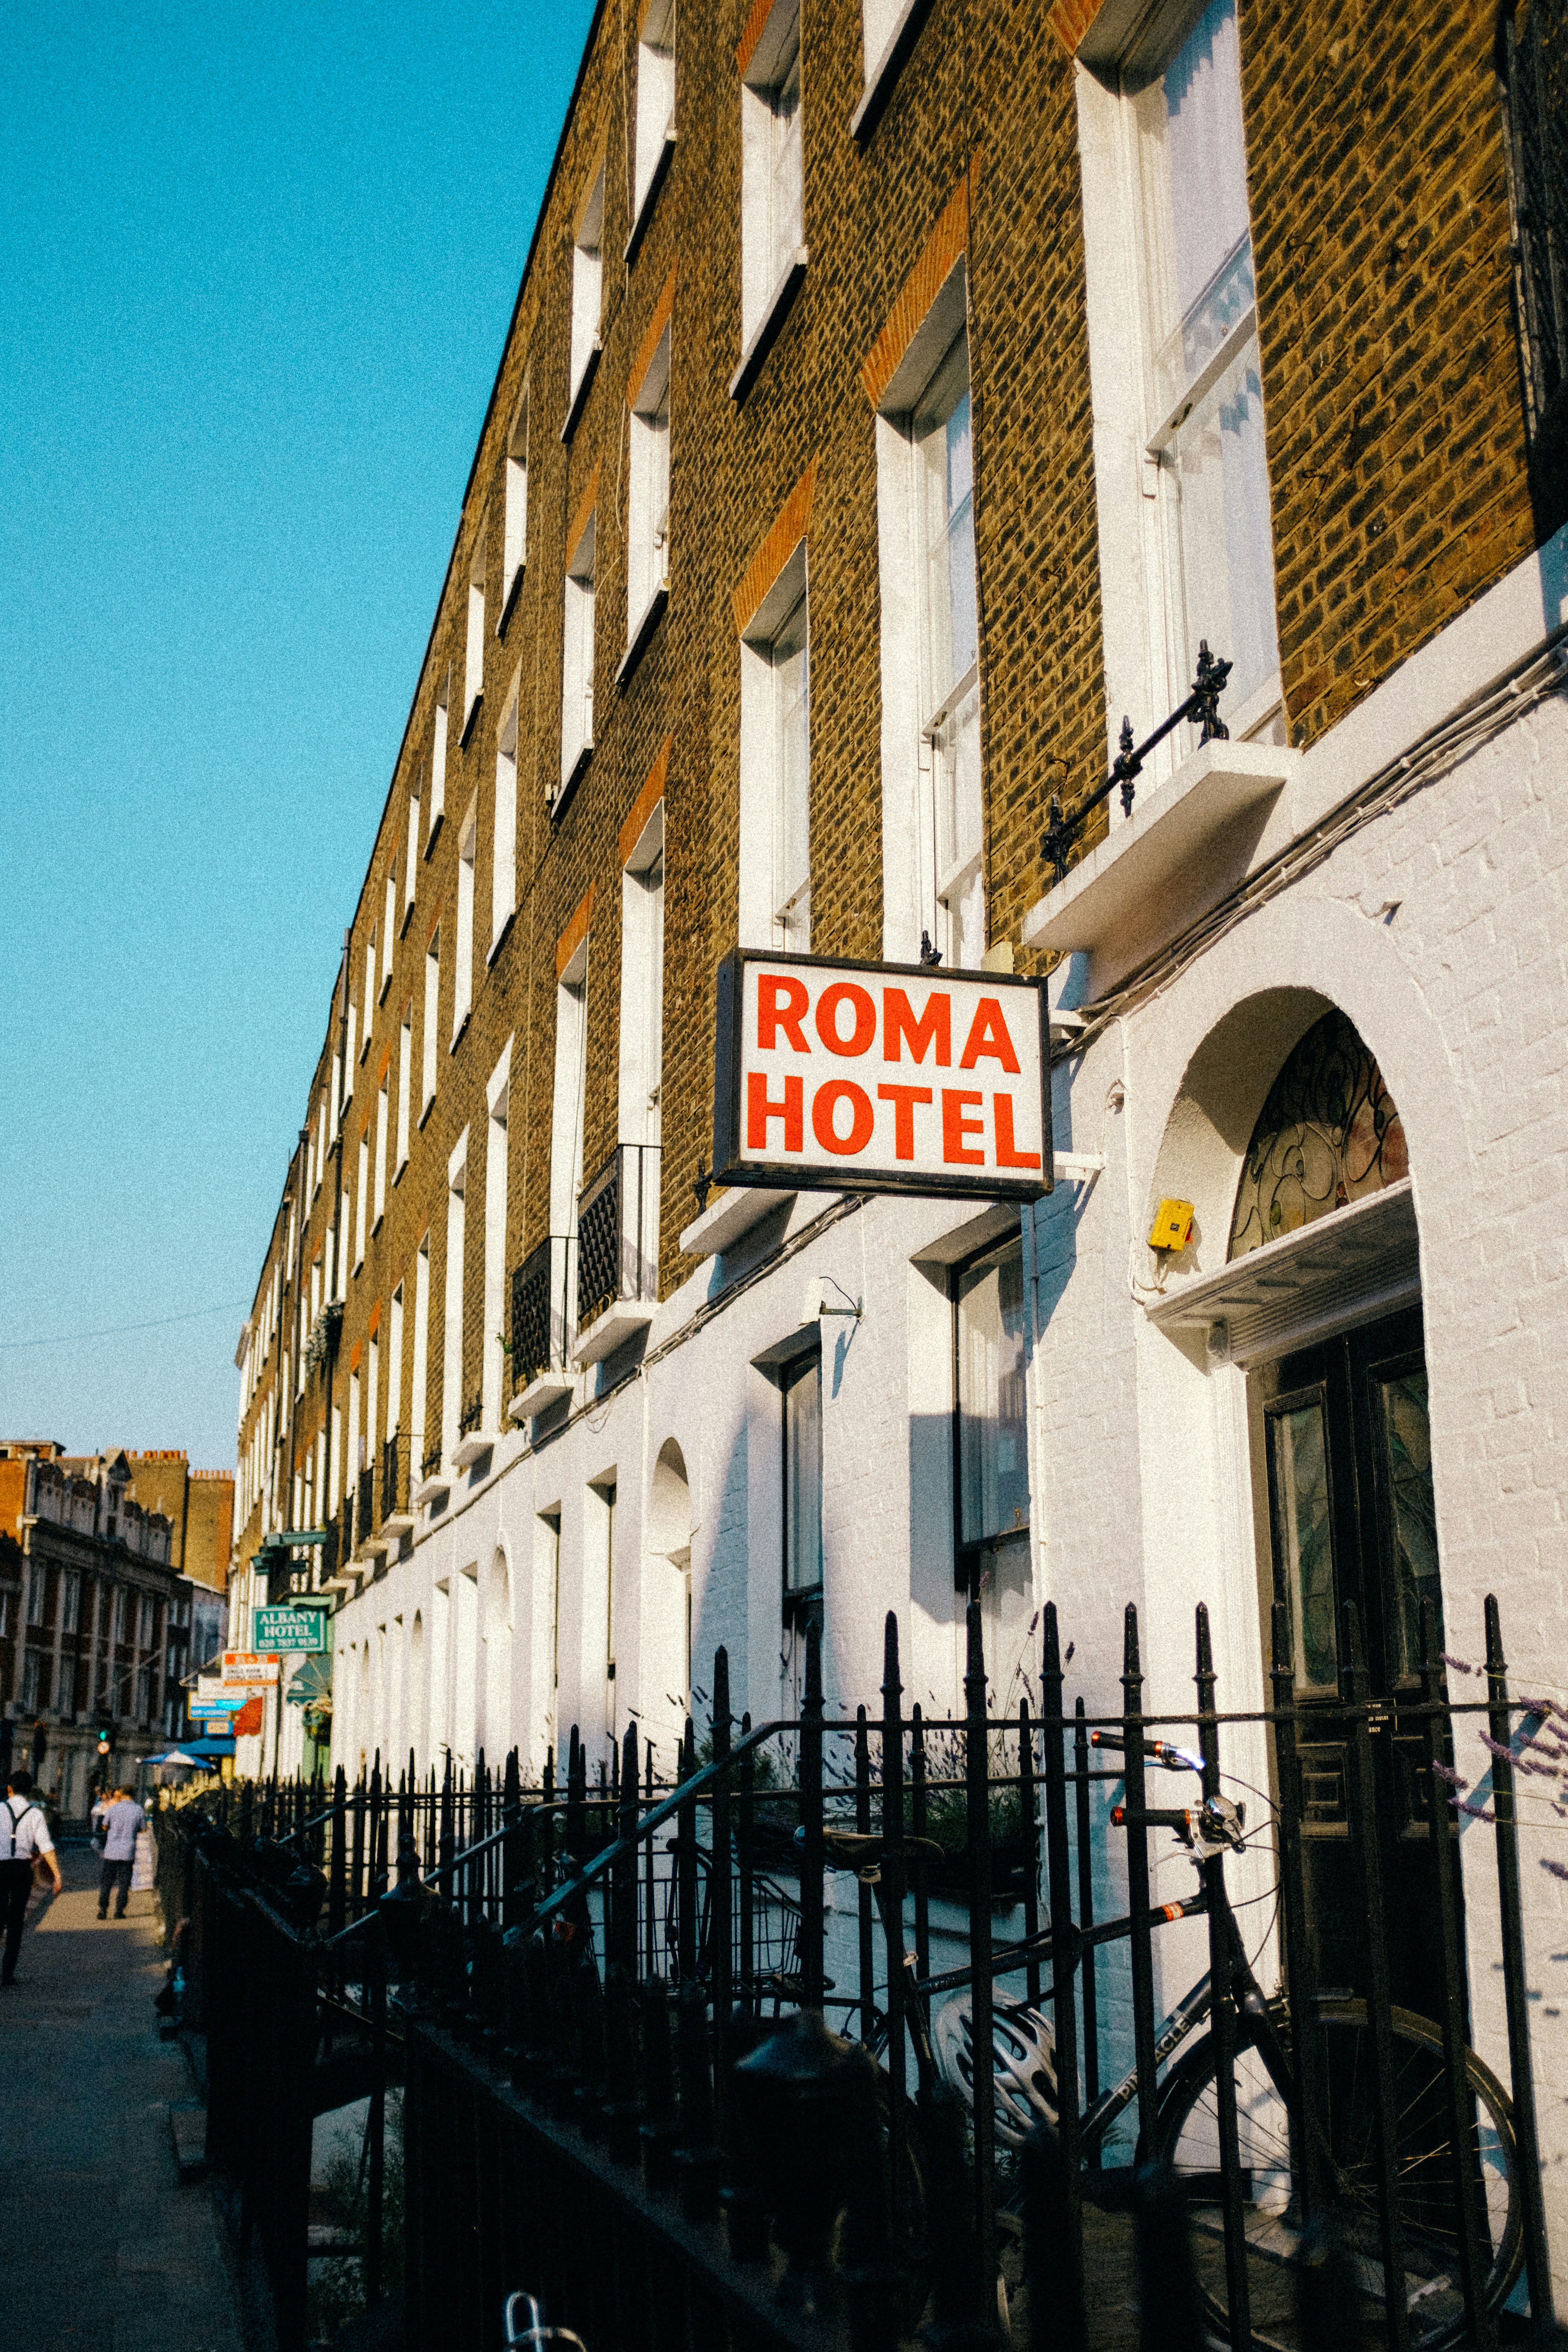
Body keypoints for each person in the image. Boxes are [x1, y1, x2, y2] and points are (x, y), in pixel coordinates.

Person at [1, 1768, 63, 1987]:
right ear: (29, 1791)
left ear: (10, 1789)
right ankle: (7, 1974)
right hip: (21, 1870)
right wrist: (57, 1875)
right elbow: (46, 1847)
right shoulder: (36, 1814)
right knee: (16, 1921)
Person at [97, 1786, 146, 1921]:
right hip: (128, 1852)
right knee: (124, 1883)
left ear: (122, 1795)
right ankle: (119, 1911)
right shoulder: (138, 1810)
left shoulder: (114, 1809)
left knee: (107, 1882)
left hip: (111, 1851)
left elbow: (104, 1826)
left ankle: (103, 1909)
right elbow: (143, 1829)